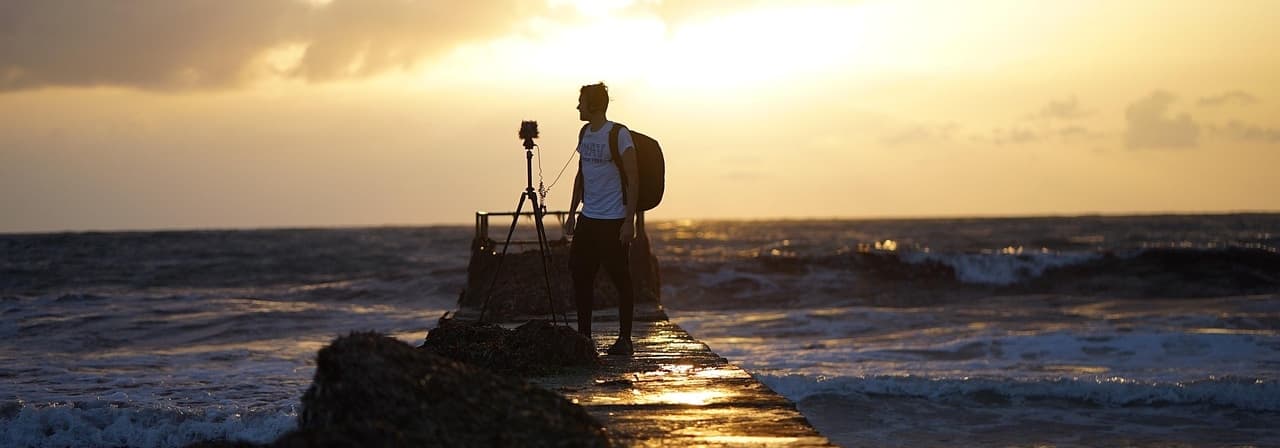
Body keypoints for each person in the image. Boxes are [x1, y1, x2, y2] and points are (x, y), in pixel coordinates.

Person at [566, 82, 638, 356]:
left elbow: (634, 178)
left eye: (581, 101)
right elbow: (580, 174)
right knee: (580, 275)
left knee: (621, 279)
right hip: (588, 218)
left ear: (594, 105)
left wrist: (629, 220)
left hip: (614, 219)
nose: (578, 106)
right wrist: (572, 212)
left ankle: (625, 340)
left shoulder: (619, 135)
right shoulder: (585, 133)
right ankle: (585, 338)